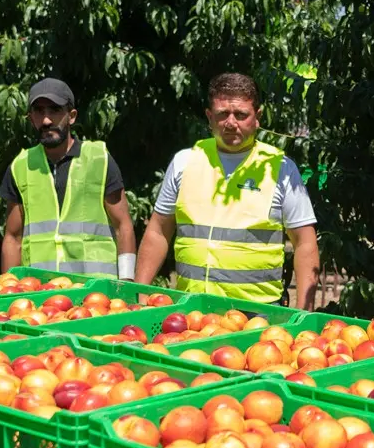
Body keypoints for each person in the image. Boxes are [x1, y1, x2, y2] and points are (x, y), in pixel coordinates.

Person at [135, 72, 321, 308]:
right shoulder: (185, 162)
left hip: (258, 315)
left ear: (257, 117)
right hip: (192, 311)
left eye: (241, 114)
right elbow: (158, 231)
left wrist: (305, 312)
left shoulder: (281, 168)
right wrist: (139, 294)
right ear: (209, 117)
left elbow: (305, 243)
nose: (231, 123)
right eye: (223, 114)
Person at [0, 78, 136, 278]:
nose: (46, 120)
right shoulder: (21, 166)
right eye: (39, 111)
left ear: (71, 116)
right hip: (40, 295)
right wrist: (8, 290)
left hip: (96, 297)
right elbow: (13, 238)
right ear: (31, 119)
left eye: (54, 110)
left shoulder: (99, 159)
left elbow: (123, 225)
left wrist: (126, 283)